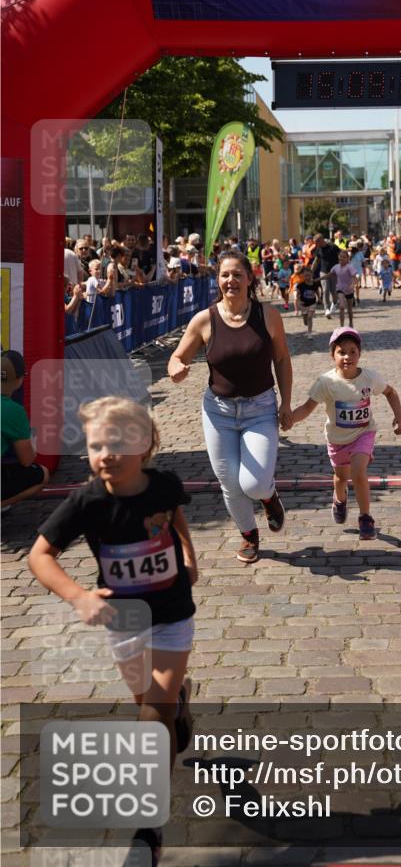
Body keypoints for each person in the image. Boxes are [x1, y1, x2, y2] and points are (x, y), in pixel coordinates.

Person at [28, 396, 198, 865]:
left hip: (171, 615)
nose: (105, 454)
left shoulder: (164, 484)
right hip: (122, 621)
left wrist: (187, 554)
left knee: (150, 719)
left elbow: (175, 514)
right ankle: (179, 700)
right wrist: (78, 596)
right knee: (149, 705)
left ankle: (149, 826)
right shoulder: (85, 502)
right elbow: (39, 556)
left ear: (143, 445)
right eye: (95, 445)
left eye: (117, 443)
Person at [167, 253, 292, 564]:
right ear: (217, 280)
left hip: (261, 408)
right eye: (225, 275)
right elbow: (176, 357)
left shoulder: (268, 316)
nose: (230, 281)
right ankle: (249, 534)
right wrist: (176, 368)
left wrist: (286, 403)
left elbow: (282, 360)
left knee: (255, 483)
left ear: (249, 279)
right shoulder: (204, 319)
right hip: (218, 412)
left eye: (237, 274)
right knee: (230, 483)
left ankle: (269, 496)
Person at [289, 327, 401, 539]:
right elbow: (306, 408)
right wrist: (289, 420)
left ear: (360, 354)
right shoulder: (326, 382)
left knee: (359, 472)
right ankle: (339, 500)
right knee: (341, 478)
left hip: (364, 434)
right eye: (342, 352)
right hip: (337, 439)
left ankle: (365, 518)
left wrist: (398, 417)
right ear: (332, 355)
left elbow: (390, 392)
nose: (347, 357)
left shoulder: (369, 378)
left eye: (353, 352)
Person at [1, 350, 50, 507]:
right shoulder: (13, 410)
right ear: (20, 379)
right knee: (42, 474)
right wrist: (33, 440)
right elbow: (27, 459)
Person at [322, 248, 359, 328]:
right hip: (340, 289)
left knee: (349, 309)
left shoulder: (349, 267)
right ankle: (341, 326)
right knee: (342, 306)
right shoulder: (336, 267)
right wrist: (318, 279)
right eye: (341, 256)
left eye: (344, 257)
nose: (342, 258)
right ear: (338, 257)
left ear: (347, 259)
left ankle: (351, 323)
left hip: (349, 290)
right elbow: (329, 274)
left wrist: (353, 284)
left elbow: (355, 278)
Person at [296, 266, 318, 338]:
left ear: (311, 275)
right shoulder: (300, 285)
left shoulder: (314, 284)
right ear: (303, 276)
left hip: (312, 303)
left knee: (310, 317)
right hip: (304, 304)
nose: (307, 277)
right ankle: (305, 320)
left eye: (309, 275)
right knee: (305, 320)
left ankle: (309, 333)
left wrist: (320, 298)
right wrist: (299, 301)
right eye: (305, 276)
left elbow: (317, 291)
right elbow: (298, 294)